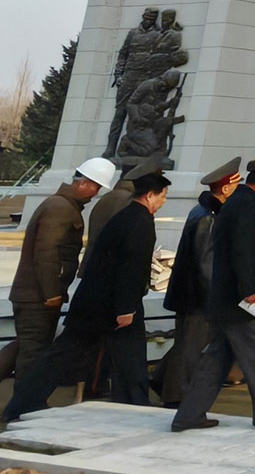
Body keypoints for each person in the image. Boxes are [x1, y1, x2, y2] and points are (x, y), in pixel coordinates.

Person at [4, 171, 170, 420]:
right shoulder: (140, 222)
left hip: (95, 302)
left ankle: (22, 404)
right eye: (163, 196)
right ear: (149, 196)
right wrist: (125, 308)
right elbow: (131, 267)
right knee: (99, 356)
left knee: (119, 357)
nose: (164, 201)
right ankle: (134, 403)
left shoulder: (126, 217)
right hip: (110, 306)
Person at [171, 157, 255, 433]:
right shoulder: (245, 208)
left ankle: (188, 415)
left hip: (227, 300)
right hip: (240, 301)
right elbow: (242, 252)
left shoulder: (241, 203)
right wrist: (249, 290)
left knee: (217, 359)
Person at [0, 156, 113, 384]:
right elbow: (47, 254)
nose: (95, 193)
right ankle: (24, 407)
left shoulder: (61, 205)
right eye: (96, 187)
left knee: (27, 345)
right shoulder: (61, 209)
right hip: (38, 297)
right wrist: (51, 292)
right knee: (33, 353)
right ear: (84, 183)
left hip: (34, 295)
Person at [158, 157, 240, 404]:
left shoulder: (205, 212)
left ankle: (163, 380)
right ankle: (178, 397)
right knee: (191, 348)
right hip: (197, 297)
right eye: (236, 185)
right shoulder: (208, 217)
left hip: (191, 294)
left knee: (187, 344)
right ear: (225, 189)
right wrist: (217, 298)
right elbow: (207, 264)